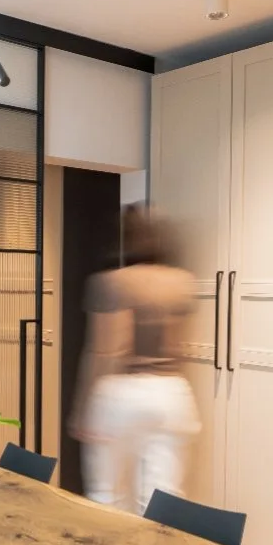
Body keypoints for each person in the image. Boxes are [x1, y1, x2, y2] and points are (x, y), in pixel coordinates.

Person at [69, 204, 201, 514]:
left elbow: (107, 350)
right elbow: (179, 347)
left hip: (121, 395)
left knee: (107, 496)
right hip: (172, 395)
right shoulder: (182, 282)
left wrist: (82, 410)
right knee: (162, 503)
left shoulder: (111, 282)